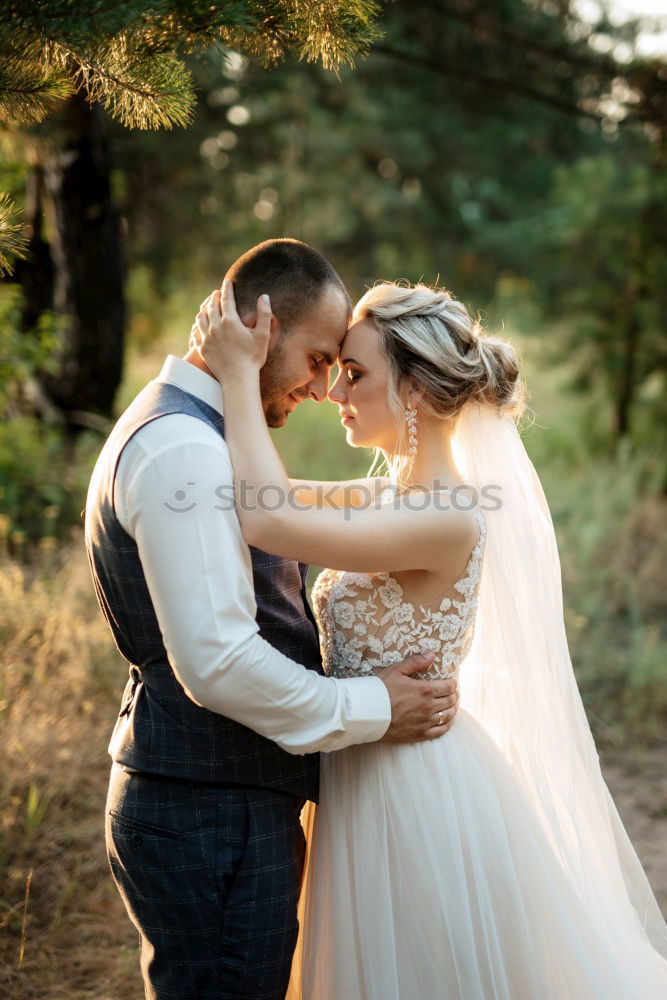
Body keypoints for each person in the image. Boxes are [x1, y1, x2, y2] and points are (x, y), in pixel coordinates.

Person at [192, 277, 667, 999]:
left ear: (413, 390)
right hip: (359, 769)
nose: (335, 393)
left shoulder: (448, 516)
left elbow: (269, 519)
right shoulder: (388, 496)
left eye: (354, 374)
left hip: (410, 789)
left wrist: (231, 373)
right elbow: (261, 490)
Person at [83, 240, 460, 1000]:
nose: (324, 388)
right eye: (321, 359)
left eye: (343, 369)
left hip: (227, 801)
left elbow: (291, 510)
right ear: (259, 326)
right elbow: (216, 662)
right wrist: (371, 705)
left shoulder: (198, 433)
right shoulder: (183, 448)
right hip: (205, 812)